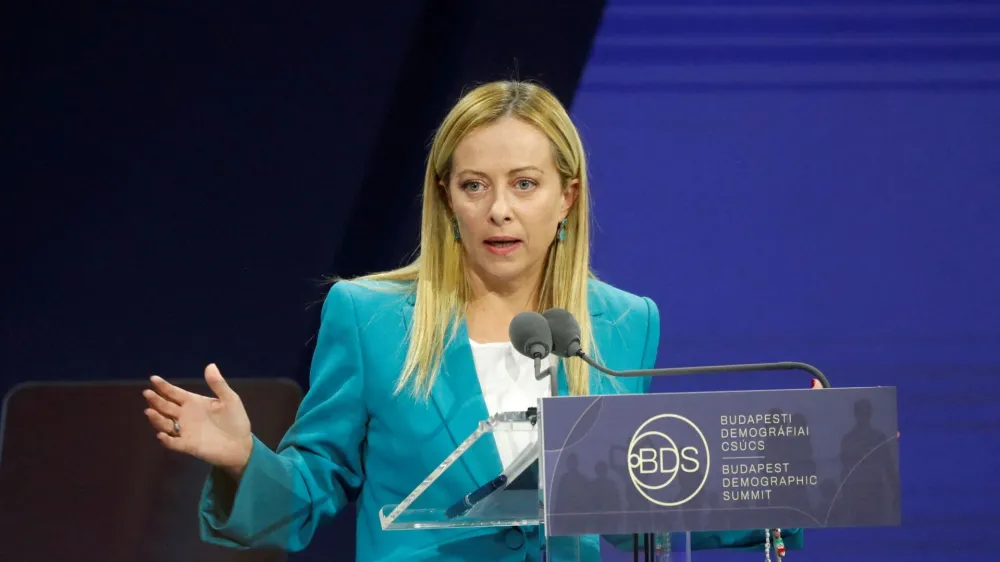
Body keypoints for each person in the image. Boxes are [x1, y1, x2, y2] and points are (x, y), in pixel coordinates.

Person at [142, 80, 804, 561]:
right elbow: (311, 490)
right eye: (474, 185)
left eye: (524, 184)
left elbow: (631, 500)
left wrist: (785, 486)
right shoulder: (372, 318)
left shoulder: (622, 322)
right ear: (446, 199)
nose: (499, 210)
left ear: (567, 197)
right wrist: (243, 461)